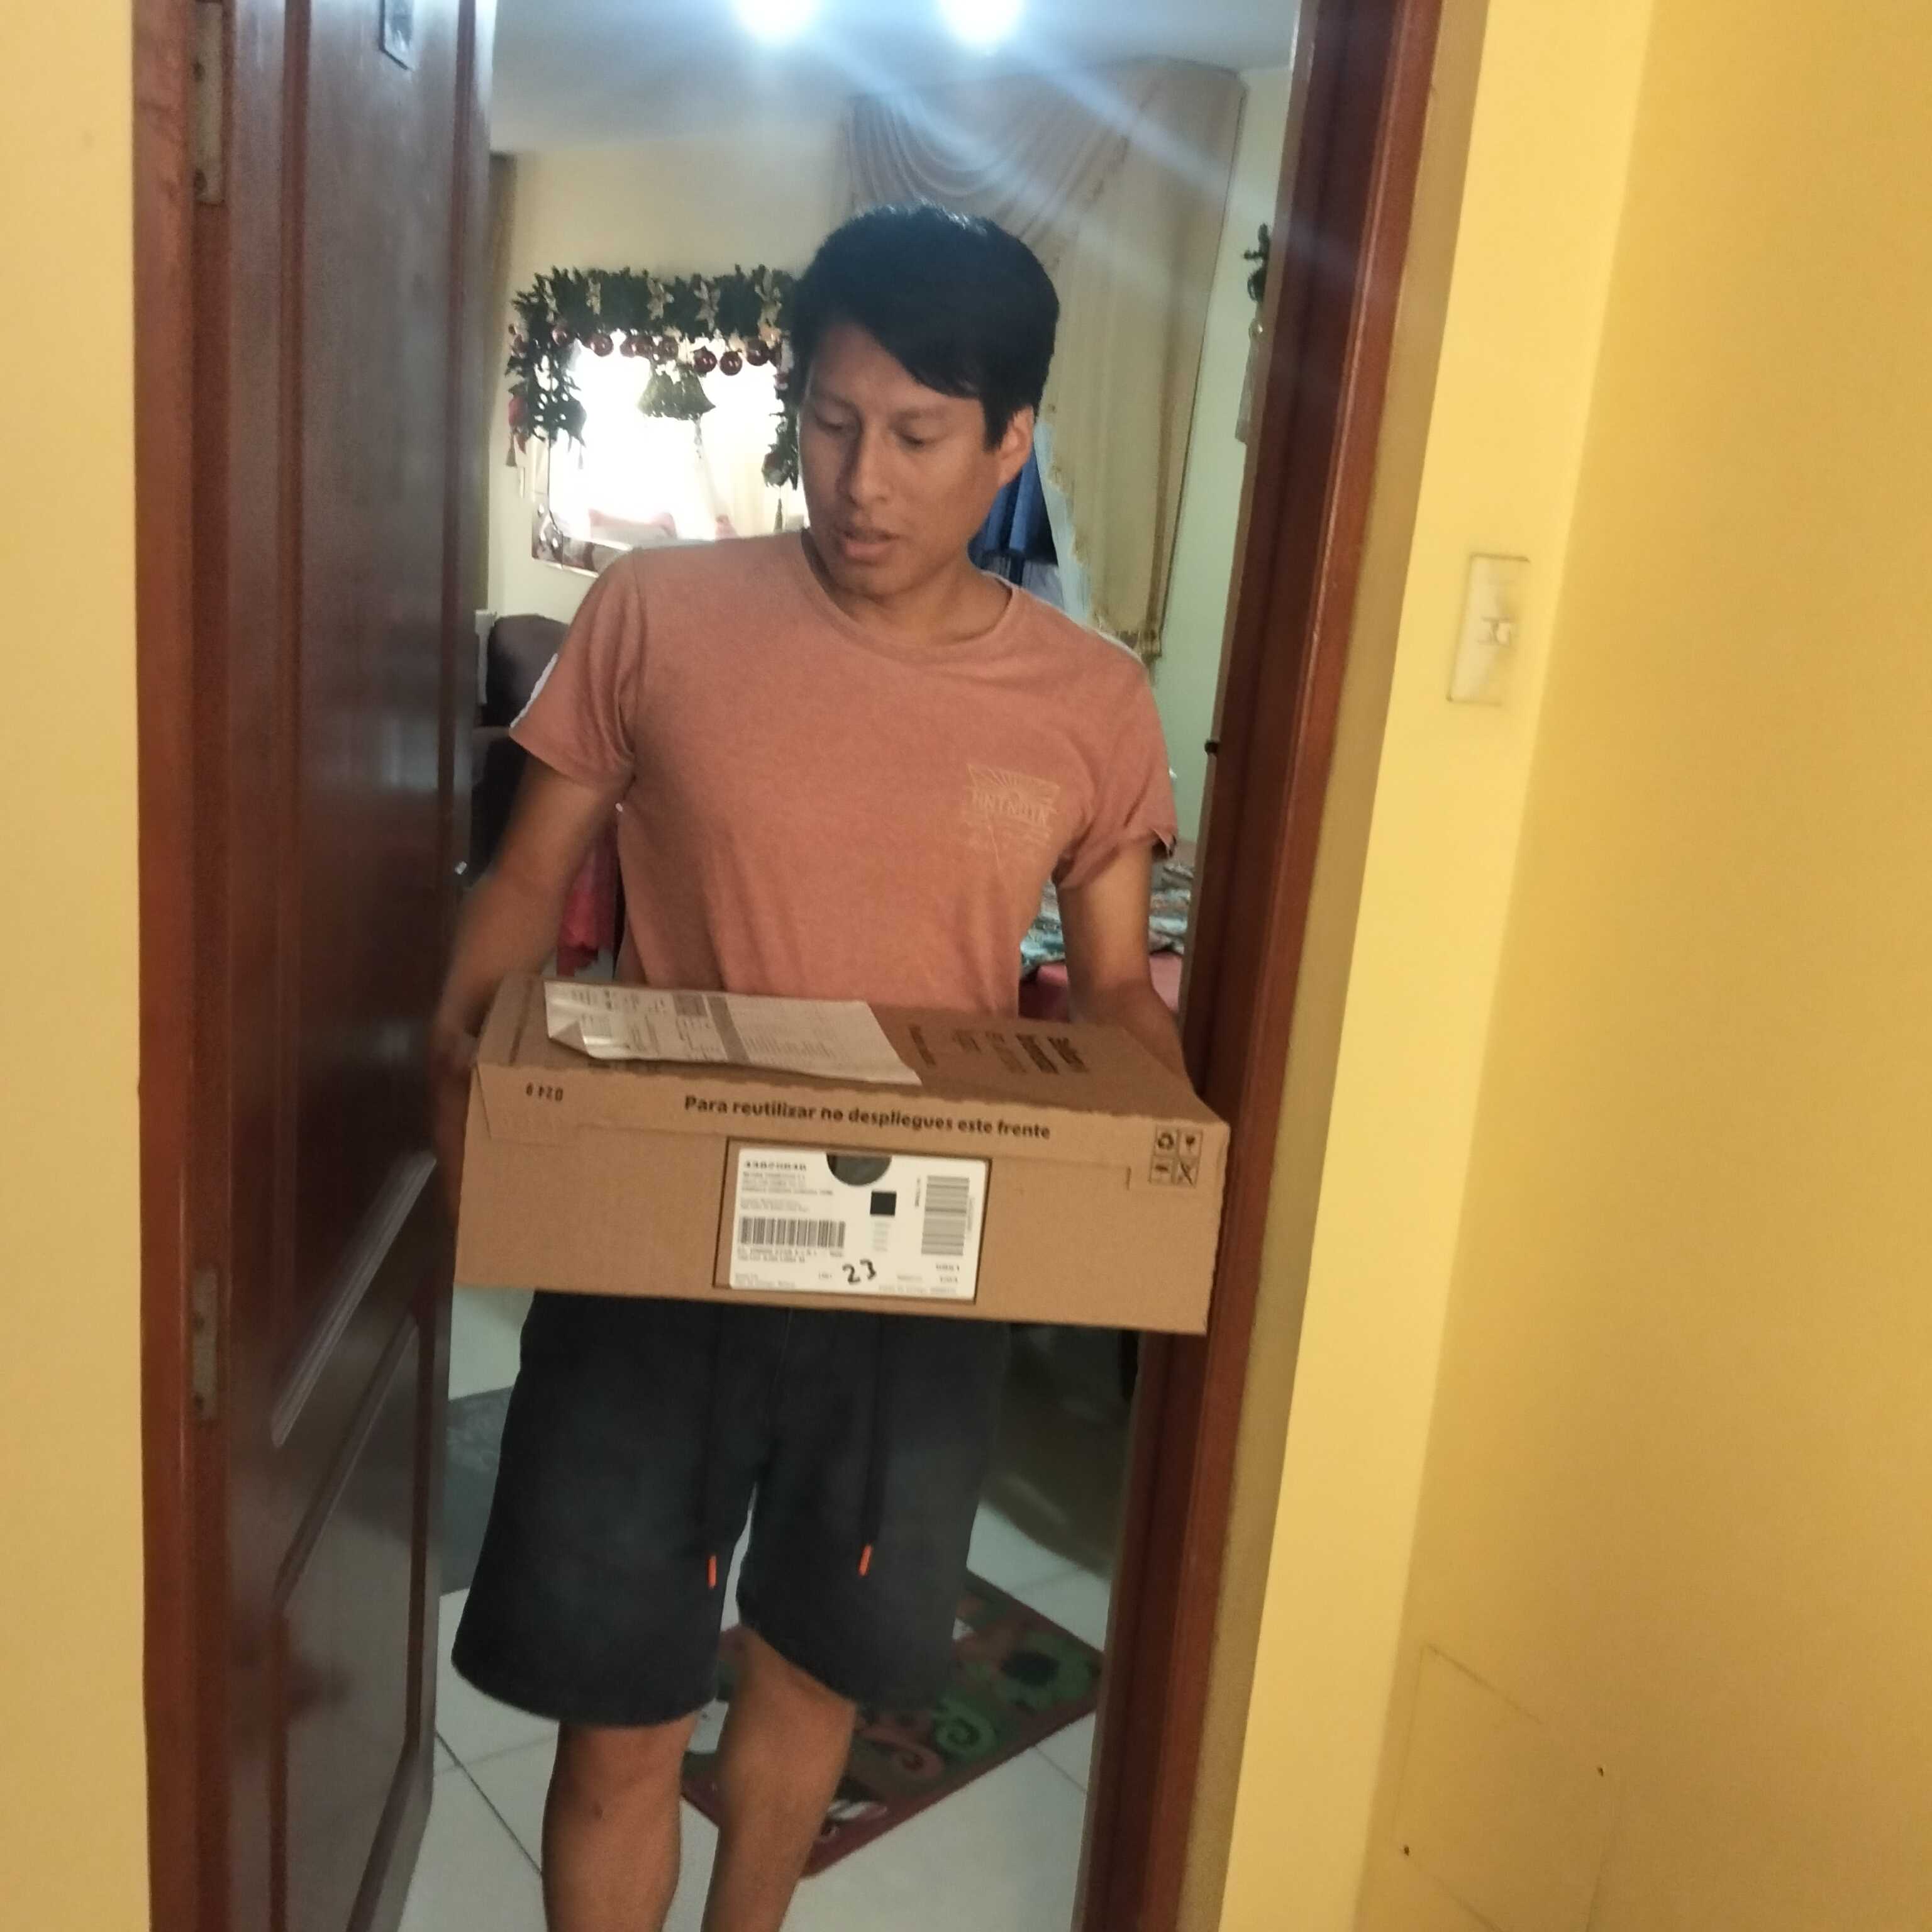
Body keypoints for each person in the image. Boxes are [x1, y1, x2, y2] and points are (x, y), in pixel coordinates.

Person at [428, 203, 1183, 1932]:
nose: (862, 480)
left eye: (919, 436)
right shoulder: (659, 614)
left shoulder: (1089, 699)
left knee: (813, 1674)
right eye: (832, 422)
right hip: (655, 1246)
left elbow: (1113, 987)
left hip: (914, 1272)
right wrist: (455, 1048)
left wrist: (1156, 1143)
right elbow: (530, 878)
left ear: (1012, 440)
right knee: (618, 1716)